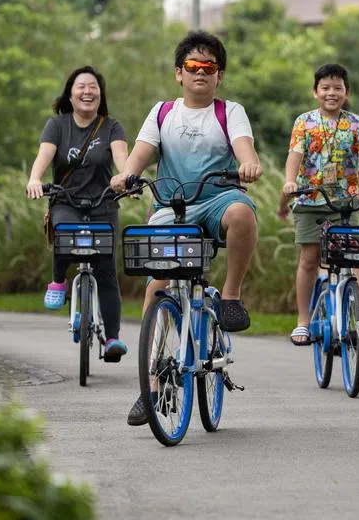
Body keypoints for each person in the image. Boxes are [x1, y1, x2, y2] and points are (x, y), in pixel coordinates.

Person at [111, 31, 262, 426]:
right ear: (179, 73)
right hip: (171, 207)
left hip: (216, 201)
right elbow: (140, 155)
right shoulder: (162, 113)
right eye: (192, 66)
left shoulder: (230, 112)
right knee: (156, 286)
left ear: (219, 75)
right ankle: (151, 386)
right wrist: (126, 175)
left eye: (208, 67)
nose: (200, 72)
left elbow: (245, 148)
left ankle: (230, 297)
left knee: (243, 213)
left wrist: (248, 164)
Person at [277, 64, 359, 345]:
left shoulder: (356, 124)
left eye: (337, 88)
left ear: (346, 93)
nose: (331, 93)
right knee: (309, 260)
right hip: (310, 200)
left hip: (345, 204)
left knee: (355, 258)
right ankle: (303, 322)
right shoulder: (304, 122)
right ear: (315, 92)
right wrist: (289, 181)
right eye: (325, 88)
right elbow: (294, 155)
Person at [25, 66, 130, 362]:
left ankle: (112, 339)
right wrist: (35, 179)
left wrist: (128, 178)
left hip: (103, 204)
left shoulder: (112, 126)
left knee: (106, 272)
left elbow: (122, 159)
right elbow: (44, 157)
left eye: (93, 87)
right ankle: (58, 279)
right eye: (81, 86)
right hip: (66, 200)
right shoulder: (57, 125)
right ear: (70, 95)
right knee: (64, 233)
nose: (87, 91)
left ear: (100, 94)